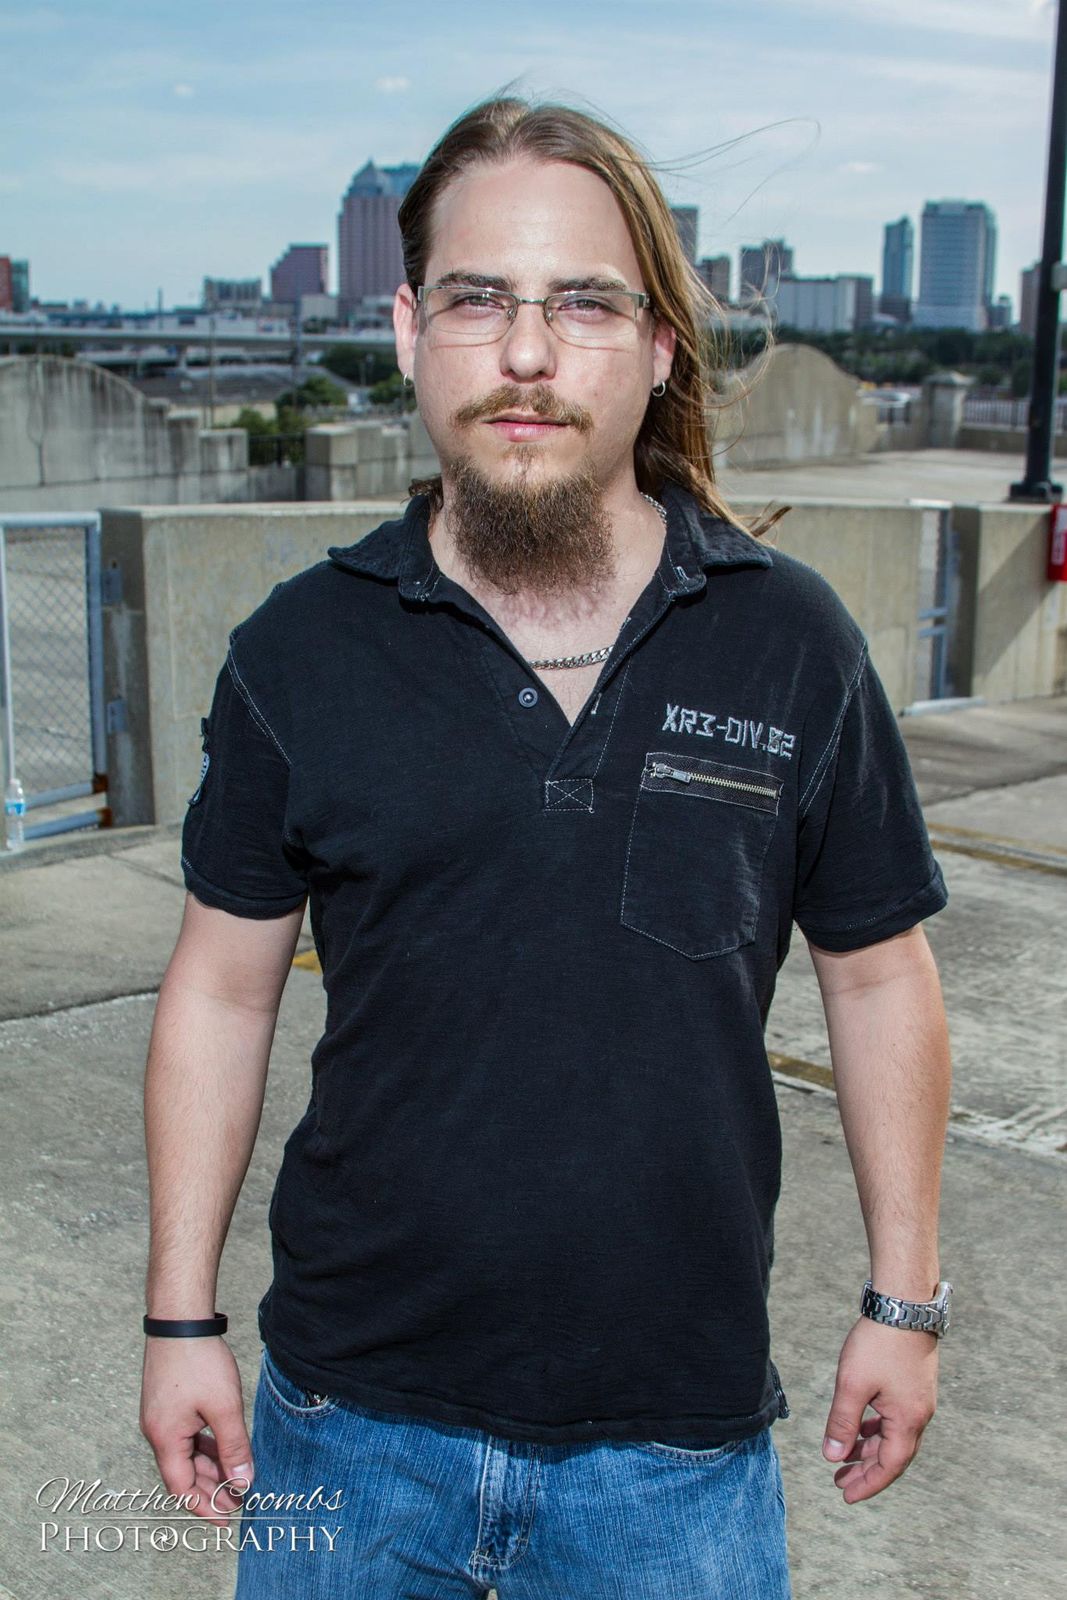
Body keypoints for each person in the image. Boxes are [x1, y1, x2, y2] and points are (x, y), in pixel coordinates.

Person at [139, 96, 953, 1600]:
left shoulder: (791, 643)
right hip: (348, 1428)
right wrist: (179, 1317)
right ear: (409, 330)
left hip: (677, 1451)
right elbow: (221, 992)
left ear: (658, 346)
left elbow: (879, 976)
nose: (526, 353)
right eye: (478, 299)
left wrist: (906, 1300)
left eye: (583, 302)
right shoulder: (298, 654)